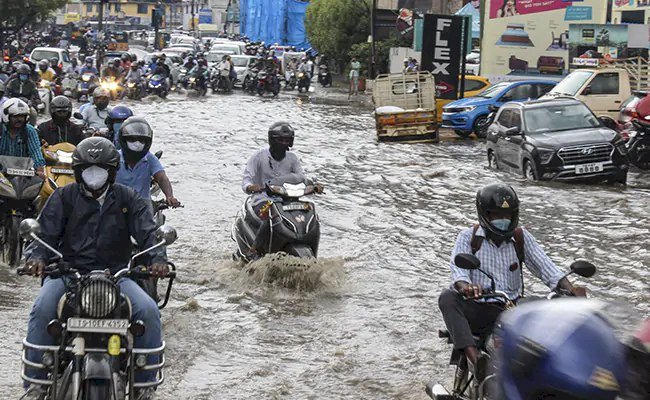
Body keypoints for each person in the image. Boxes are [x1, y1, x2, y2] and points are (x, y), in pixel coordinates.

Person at [22, 137, 168, 400]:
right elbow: (43, 235)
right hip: (68, 274)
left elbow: (149, 234)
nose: (94, 175)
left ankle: (145, 387)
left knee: (148, 310)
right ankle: (36, 385)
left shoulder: (128, 198)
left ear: (112, 172)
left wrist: (156, 259)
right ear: (78, 171)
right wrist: (37, 258)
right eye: (88, 169)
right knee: (43, 307)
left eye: (100, 169)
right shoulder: (63, 197)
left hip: (117, 275)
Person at [438, 183, 586, 381]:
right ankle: (475, 360)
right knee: (448, 298)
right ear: (485, 215)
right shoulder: (468, 238)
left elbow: (547, 268)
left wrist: (571, 289)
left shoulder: (520, 237)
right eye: (497, 215)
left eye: (507, 216)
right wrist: (467, 287)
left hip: (513, 310)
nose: (503, 220)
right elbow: (459, 273)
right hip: (480, 308)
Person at [242, 122, 322, 259]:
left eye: (287, 140)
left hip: (288, 199)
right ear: (272, 140)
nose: (284, 143)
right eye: (280, 140)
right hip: (263, 199)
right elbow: (246, 179)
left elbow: (301, 178)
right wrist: (252, 187)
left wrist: (313, 186)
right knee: (271, 215)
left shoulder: (292, 158)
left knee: (312, 215)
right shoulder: (258, 157)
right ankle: (254, 250)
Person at [115, 117, 180, 210]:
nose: (137, 143)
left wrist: (170, 196)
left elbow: (162, 178)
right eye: (132, 139)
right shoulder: (114, 158)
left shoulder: (149, 158)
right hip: (116, 206)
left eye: (141, 140)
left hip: (142, 208)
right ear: (123, 139)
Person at [0, 98, 46, 176]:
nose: (19, 119)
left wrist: (40, 169)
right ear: (7, 116)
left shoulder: (29, 130)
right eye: (15, 117)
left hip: (23, 174)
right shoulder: (0, 130)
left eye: (22, 116)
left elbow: (35, 151)